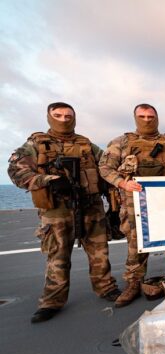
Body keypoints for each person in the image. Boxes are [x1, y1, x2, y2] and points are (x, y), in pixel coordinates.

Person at [7, 102, 120, 323]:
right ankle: (52, 301)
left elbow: (107, 167)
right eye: (57, 115)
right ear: (49, 117)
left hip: (91, 207)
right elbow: (16, 171)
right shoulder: (36, 144)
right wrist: (47, 180)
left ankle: (106, 288)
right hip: (56, 210)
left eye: (68, 115)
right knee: (57, 257)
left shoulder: (86, 144)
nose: (64, 119)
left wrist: (116, 199)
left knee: (100, 253)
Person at [99, 103, 165, 307]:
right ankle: (133, 284)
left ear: (157, 118)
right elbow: (105, 168)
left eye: (151, 116)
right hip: (134, 206)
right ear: (135, 118)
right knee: (136, 246)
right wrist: (122, 182)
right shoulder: (121, 142)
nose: (147, 120)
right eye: (142, 116)